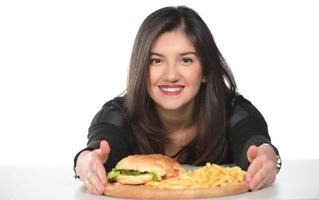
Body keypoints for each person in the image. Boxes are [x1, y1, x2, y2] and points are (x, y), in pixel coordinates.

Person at [73, 6, 281, 195]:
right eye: (156, 61)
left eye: (186, 60)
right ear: (141, 69)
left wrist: (266, 156)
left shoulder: (235, 110)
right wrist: (85, 160)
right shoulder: (117, 113)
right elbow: (100, 146)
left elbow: (252, 139)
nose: (171, 75)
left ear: (206, 70)